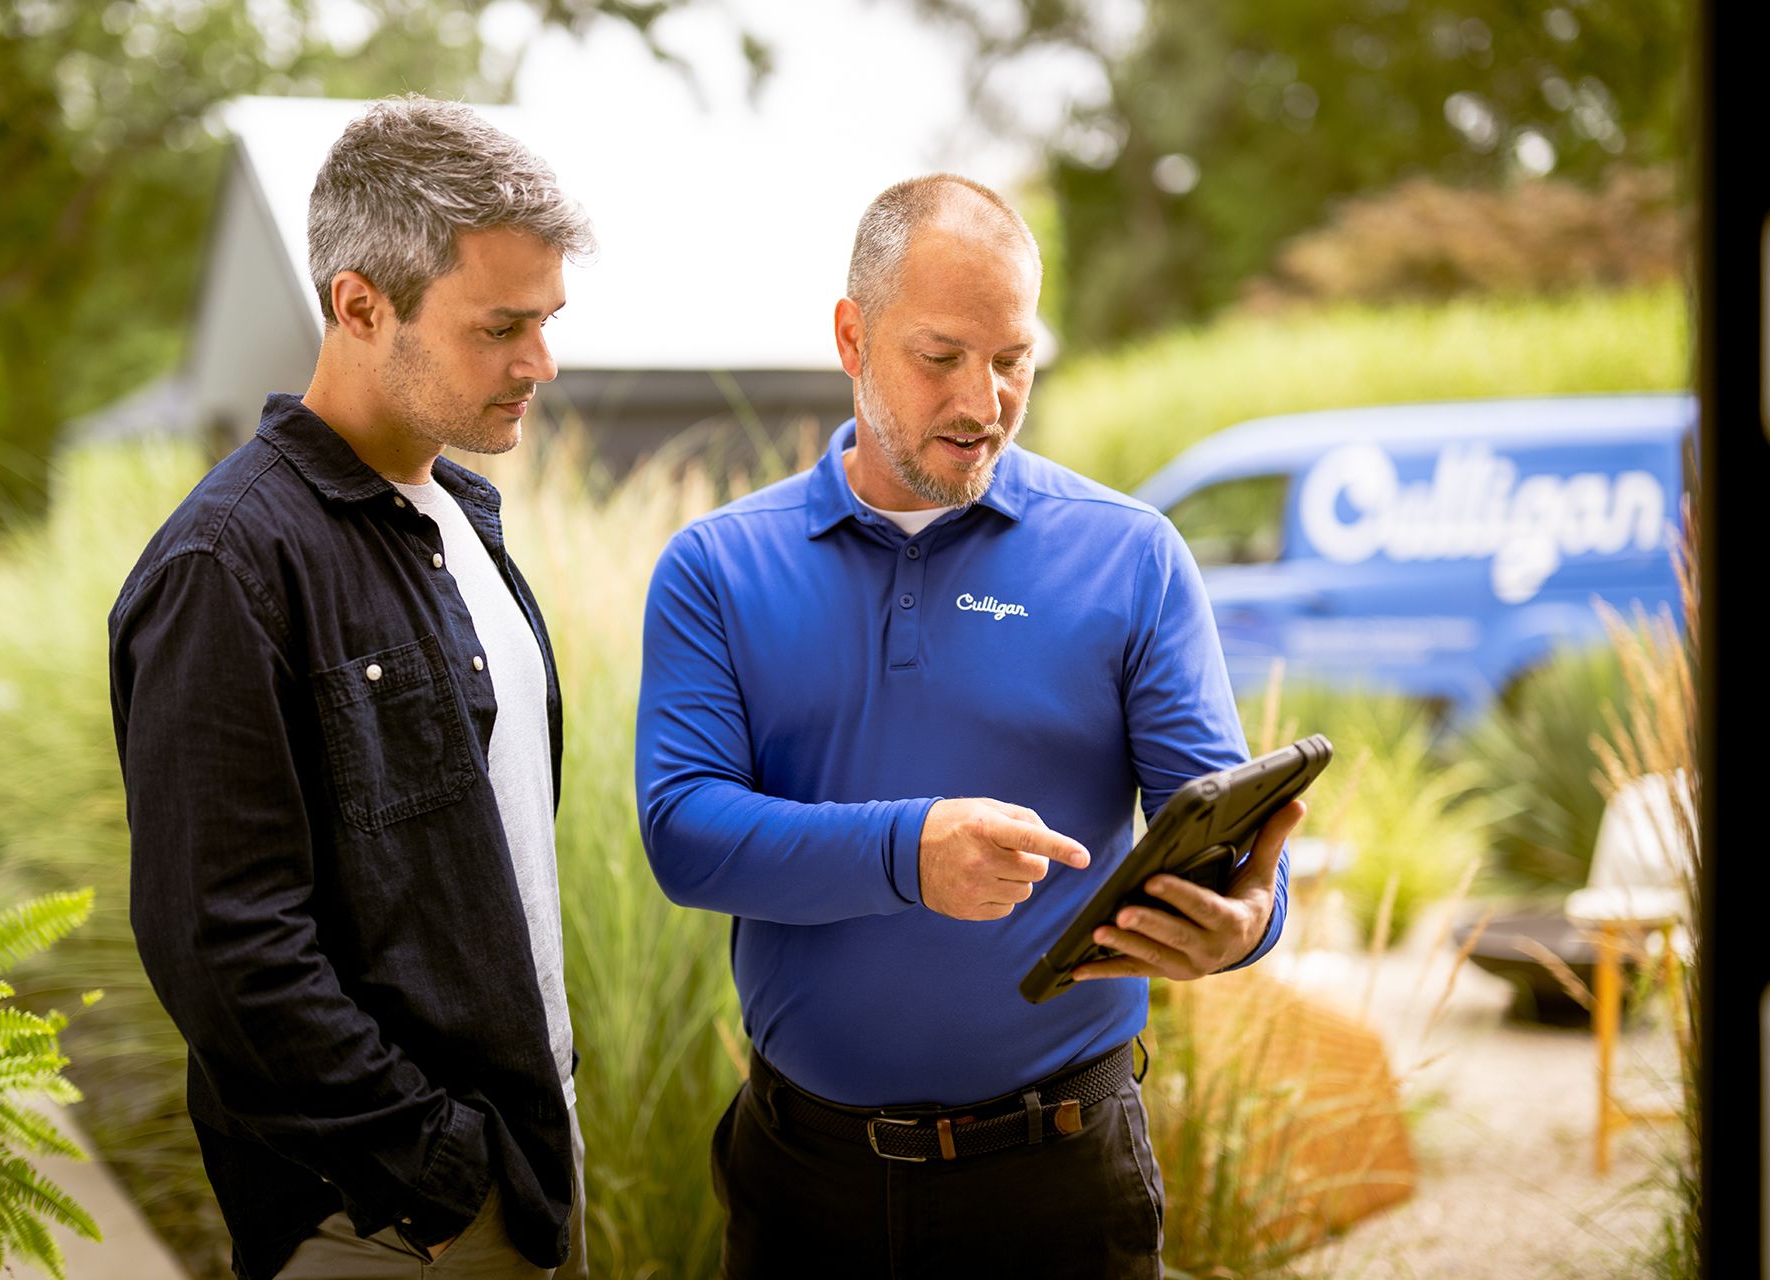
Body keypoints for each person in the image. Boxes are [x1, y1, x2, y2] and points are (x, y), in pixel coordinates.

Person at [634, 174, 1305, 1279]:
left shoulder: (1130, 556)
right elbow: (685, 835)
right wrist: (909, 852)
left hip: (1063, 1182)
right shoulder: (716, 567)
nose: (983, 400)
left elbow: (1226, 837)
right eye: (941, 356)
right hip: (806, 1185)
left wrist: (1252, 923)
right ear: (852, 337)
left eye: (1013, 359)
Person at [110, 96, 594, 1280]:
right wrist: (437, 1169)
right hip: (386, 1223)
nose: (540, 363)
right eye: (502, 326)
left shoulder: (457, 515)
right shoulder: (226, 565)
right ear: (361, 304)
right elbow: (226, 943)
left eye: (547, 321)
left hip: (527, 1167)